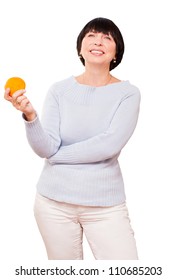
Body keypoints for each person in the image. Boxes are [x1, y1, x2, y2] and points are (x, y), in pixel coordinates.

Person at [4, 17, 141, 260]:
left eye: (106, 37)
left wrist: (57, 158)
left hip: (105, 207)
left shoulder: (128, 93)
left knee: (126, 270)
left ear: (116, 52)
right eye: (91, 35)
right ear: (80, 48)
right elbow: (45, 147)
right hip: (52, 204)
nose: (98, 41)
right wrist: (30, 115)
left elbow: (109, 144)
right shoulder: (59, 90)